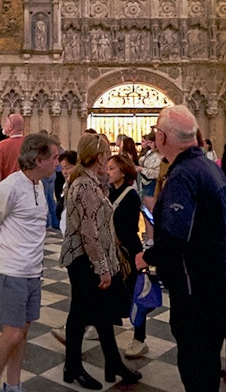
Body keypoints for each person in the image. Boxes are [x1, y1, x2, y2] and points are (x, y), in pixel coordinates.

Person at [136, 105, 226, 392]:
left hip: (199, 289)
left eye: (156, 131)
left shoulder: (183, 175)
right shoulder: (207, 166)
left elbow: (176, 235)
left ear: (163, 137)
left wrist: (147, 257)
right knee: (206, 363)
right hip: (219, 282)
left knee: (195, 367)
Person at [0, 133, 60, 392]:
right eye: (55, 158)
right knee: (12, 333)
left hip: (32, 270)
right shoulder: (9, 187)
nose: (58, 163)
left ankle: (13, 384)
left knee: (22, 333)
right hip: (10, 270)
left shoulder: (38, 185)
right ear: (38, 160)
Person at [60, 134, 141, 389]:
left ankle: (113, 362)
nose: (108, 158)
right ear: (97, 156)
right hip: (86, 261)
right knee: (80, 314)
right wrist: (103, 269)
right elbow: (89, 232)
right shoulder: (83, 185)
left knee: (102, 314)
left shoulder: (91, 182)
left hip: (93, 259)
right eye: (105, 154)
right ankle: (72, 366)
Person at [107, 153, 148, 360]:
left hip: (128, 251)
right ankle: (106, 326)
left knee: (135, 294)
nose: (108, 172)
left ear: (123, 171)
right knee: (110, 291)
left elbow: (127, 227)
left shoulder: (130, 195)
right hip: (112, 251)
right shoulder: (109, 191)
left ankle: (139, 339)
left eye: (112, 168)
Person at [0, 114, 25, 185]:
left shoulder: (2, 145)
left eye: (6, 122)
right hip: (26, 187)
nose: (4, 125)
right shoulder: (29, 143)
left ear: (11, 127)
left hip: (8, 186)